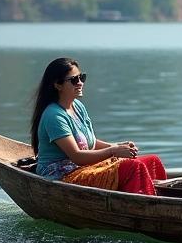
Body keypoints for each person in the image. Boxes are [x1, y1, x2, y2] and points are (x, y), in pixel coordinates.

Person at [30, 57, 166, 195]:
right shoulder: (54, 116)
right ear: (58, 85)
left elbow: (91, 143)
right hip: (63, 176)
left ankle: (159, 202)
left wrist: (117, 146)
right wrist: (113, 151)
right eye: (74, 80)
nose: (80, 83)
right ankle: (142, 207)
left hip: (83, 168)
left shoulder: (78, 106)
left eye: (81, 77)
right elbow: (77, 156)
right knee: (132, 167)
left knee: (152, 161)